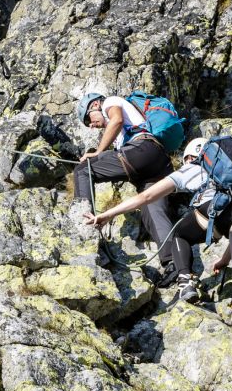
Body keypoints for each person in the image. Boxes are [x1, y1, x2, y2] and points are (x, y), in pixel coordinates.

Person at [83, 136, 232, 330]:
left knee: (180, 234)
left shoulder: (192, 168)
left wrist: (107, 214)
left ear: (192, 157)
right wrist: (224, 260)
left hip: (214, 209)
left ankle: (185, 280)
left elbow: (146, 196)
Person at [73, 92, 179, 284]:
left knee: (83, 170)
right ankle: (174, 263)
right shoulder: (125, 130)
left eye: (89, 119)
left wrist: (98, 152)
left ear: (95, 105)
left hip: (141, 150)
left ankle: (82, 225)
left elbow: (117, 120)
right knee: (153, 210)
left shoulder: (110, 102)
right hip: (158, 160)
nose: (91, 125)